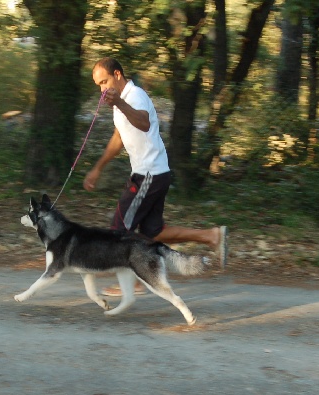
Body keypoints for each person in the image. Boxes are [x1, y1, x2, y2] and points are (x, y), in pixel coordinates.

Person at [83, 57, 227, 296]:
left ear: (117, 74)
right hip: (155, 173)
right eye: (98, 85)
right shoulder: (121, 102)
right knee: (153, 232)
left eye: (104, 81)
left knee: (120, 230)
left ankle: (134, 283)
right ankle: (212, 236)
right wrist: (98, 168)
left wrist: (119, 102)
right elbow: (118, 139)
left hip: (148, 175)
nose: (102, 89)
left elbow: (144, 122)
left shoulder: (134, 96)